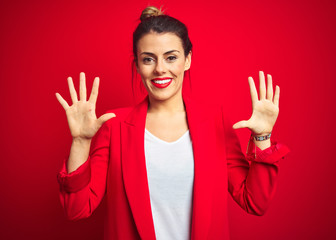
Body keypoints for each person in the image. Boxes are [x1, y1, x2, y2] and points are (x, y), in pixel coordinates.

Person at [55, 6, 290, 240]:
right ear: (137, 65)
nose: (160, 69)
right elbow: (77, 209)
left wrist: (263, 137)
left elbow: (254, 202)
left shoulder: (214, 121)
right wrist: (80, 142)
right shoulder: (114, 127)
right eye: (148, 59)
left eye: (171, 57)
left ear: (187, 60)